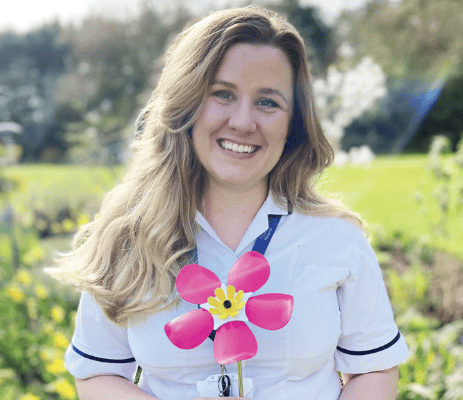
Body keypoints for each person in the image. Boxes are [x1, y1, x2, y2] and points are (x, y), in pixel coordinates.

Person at [47, 6, 409, 400]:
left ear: (294, 123)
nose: (242, 121)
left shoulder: (337, 239)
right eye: (222, 94)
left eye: (267, 102)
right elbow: (97, 374)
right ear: (186, 103)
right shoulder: (128, 236)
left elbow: (373, 371)